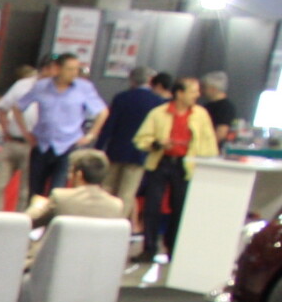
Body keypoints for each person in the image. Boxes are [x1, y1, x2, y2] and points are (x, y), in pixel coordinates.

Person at [134, 75, 217, 271]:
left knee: (180, 207)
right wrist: (157, 143)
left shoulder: (200, 115)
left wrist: (206, 163)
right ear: (179, 93)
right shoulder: (159, 113)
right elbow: (141, 139)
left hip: (185, 165)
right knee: (152, 206)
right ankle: (149, 248)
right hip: (161, 162)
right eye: (193, 91)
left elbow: (208, 142)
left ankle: (173, 247)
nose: (197, 95)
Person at [23, 52, 106, 201]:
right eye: (70, 69)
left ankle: (53, 216)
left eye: (76, 69)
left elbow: (102, 111)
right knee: (35, 192)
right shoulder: (42, 86)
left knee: (57, 191)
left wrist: (91, 135)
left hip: (68, 145)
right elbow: (18, 106)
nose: (74, 73)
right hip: (42, 144)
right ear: (58, 69)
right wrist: (25, 132)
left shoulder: (84, 88)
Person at [98, 71, 170, 220]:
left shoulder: (121, 97)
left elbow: (109, 125)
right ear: (149, 81)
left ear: (132, 81)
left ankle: (101, 217)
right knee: (127, 192)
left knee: (107, 187)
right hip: (140, 153)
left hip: (116, 150)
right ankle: (118, 222)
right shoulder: (157, 102)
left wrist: (99, 147)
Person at [0, 64, 39, 209]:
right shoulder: (22, 85)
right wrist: (5, 131)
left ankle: (21, 221)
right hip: (12, 142)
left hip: (33, 146)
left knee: (25, 192)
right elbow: (2, 108)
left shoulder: (56, 90)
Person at [202, 71, 239, 148]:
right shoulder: (207, 106)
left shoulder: (225, 107)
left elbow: (221, 133)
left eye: (205, 87)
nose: (202, 91)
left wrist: (204, 147)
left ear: (213, 89)